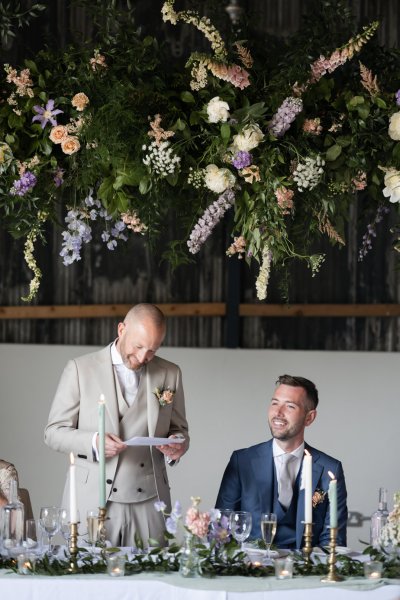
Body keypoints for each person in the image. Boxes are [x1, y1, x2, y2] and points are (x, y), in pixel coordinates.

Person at [44, 303, 189, 546]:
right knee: (88, 580)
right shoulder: (80, 369)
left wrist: (177, 446)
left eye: (152, 350)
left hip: (150, 502)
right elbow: (53, 433)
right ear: (121, 329)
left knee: (152, 580)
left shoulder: (170, 373)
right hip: (92, 500)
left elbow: (180, 429)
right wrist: (94, 442)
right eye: (139, 346)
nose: (143, 357)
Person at [216, 374, 347, 549]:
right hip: (251, 570)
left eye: (290, 406)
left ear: (309, 418)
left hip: (306, 570)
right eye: (275, 403)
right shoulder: (242, 462)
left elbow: (333, 542)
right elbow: (221, 530)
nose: (278, 413)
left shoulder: (330, 469)